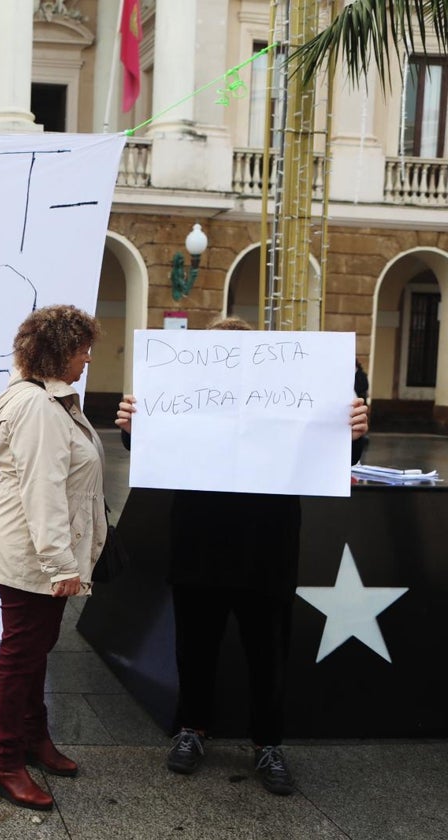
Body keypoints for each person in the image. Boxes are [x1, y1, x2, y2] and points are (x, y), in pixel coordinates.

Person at [115, 316, 369, 796]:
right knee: (195, 648)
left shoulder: (280, 402)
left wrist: (354, 434)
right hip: (198, 545)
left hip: (266, 549)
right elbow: (151, 448)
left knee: (268, 653)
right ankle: (192, 729)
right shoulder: (189, 400)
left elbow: (335, 456)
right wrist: (133, 427)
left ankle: (268, 743)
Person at [0, 304, 106, 811]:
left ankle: (33, 739)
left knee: (33, 650)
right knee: (20, 655)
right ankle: (3, 763)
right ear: (57, 352)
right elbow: (43, 493)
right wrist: (61, 566)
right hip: (34, 555)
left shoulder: (48, 401)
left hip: (32, 550)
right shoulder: (37, 407)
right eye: (81, 350)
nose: (88, 359)